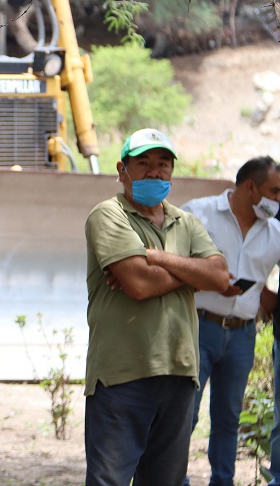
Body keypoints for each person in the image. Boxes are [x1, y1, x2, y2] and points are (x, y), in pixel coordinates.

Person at [83, 128, 229, 486]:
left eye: (163, 164)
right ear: (122, 170)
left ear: (171, 171)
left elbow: (221, 277)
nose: (154, 172)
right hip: (122, 375)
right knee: (109, 481)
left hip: (179, 373)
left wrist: (155, 257)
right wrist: (193, 270)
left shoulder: (186, 221)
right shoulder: (108, 215)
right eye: (143, 163)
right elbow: (138, 284)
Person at [180, 156, 280, 486]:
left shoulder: (275, 232)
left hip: (242, 336)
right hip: (198, 327)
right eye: (274, 191)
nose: (278, 199)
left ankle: (222, 481)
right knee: (183, 415)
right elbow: (170, 266)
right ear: (250, 188)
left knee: (228, 419)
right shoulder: (198, 213)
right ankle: (171, 479)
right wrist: (207, 281)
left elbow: (266, 288)